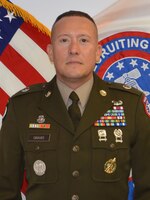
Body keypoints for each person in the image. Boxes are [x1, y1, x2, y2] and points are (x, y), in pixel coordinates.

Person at [0, 10, 150, 200]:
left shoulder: (131, 104)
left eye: (84, 40)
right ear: (51, 53)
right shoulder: (21, 107)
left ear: (97, 53)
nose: (74, 49)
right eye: (64, 40)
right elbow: (4, 189)